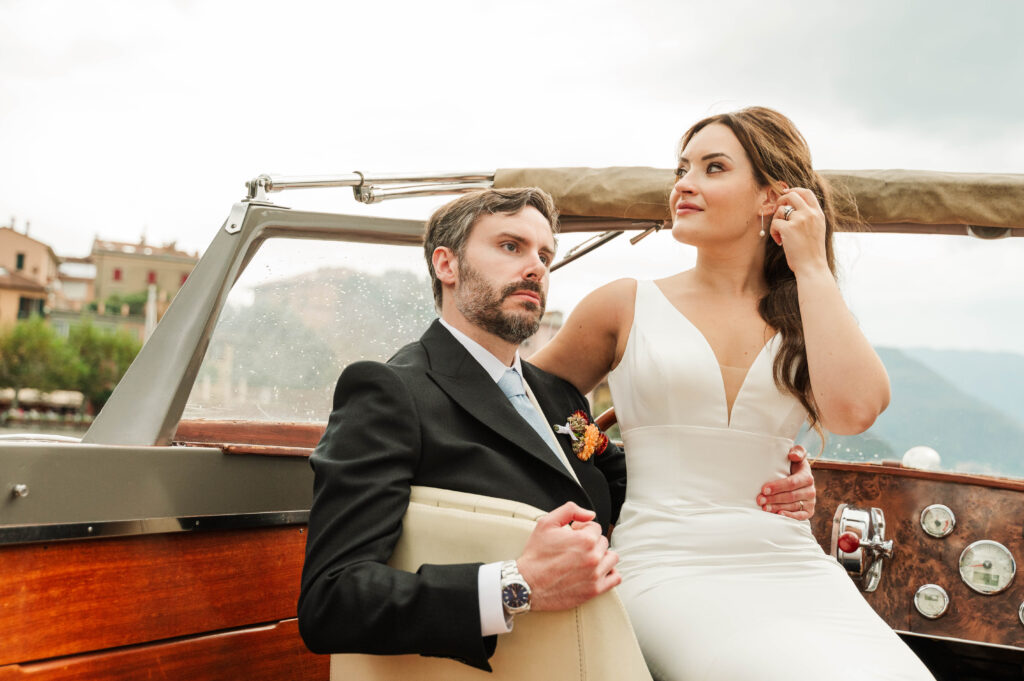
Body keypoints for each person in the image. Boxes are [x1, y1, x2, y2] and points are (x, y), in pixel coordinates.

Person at [297, 186, 817, 672]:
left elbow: (651, 486)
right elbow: (331, 600)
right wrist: (516, 585)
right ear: (446, 264)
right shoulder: (389, 392)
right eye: (510, 246)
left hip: (626, 631)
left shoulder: (557, 395)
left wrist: (768, 485)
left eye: (545, 255)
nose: (535, 268)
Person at [529, 107, 935, 680]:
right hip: (664, 562)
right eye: (683, 169)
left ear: (772, 198)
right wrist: (599, 458)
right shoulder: (623, 304)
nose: (684, 185)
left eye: (713, 168)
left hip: (789, 560)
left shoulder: (807, 317)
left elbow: (855, 412)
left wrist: (812, 265)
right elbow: (521, 408)